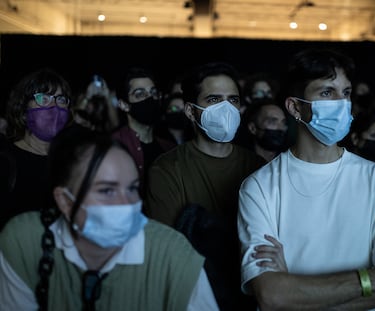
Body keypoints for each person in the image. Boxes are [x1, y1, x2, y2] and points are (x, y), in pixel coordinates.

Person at [238, 48, 375, 311]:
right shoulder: (260, 186)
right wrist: (373, 279)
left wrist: (294, 289)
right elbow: (272, 296)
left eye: (345, 93)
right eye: (326, 93)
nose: (341, 103)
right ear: (295, 107)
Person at [0, 125, 219, 310]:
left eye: (132, 189)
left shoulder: (173, 255)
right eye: (107, 191)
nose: (127, 204)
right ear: (65, 201)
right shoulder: (24, 241)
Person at [145, 61, 266, 311]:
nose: (226, 108)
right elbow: (169, 251)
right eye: (214, 99)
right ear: (190, 111)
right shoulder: (167, 169)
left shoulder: (257, 166)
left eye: (232, 100)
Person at [0, 67, 72, 230]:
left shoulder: (71, 162)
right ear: (23, 110)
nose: (54, 106)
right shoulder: (5, 163)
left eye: (61, 99)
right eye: (44, 98)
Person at [112, 66, 176, 197]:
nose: (150, 98)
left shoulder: (169, 148)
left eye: (153, 92)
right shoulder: (112, 146)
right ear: (124, 105)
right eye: (140, 94)